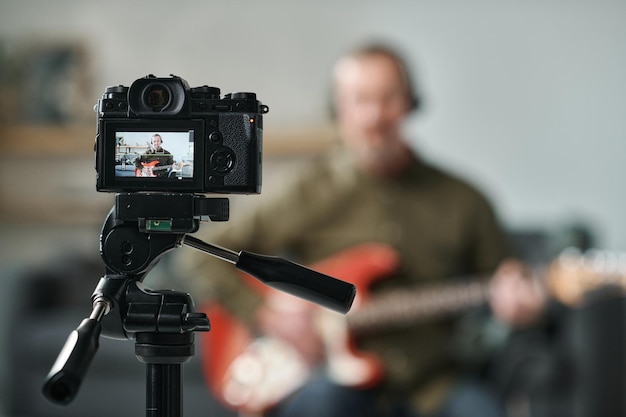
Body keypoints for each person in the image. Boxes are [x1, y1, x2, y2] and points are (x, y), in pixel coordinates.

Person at [174, 42, 546, 417]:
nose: (373, 115)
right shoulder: (309, 191)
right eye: (359, 100)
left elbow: (507, 277)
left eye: (388, 98)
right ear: (338, 110)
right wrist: (264, 314)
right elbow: (203, 254)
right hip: (331, 378)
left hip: (436, 383)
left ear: (410, 104)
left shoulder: (464, 199)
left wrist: (520, 302)